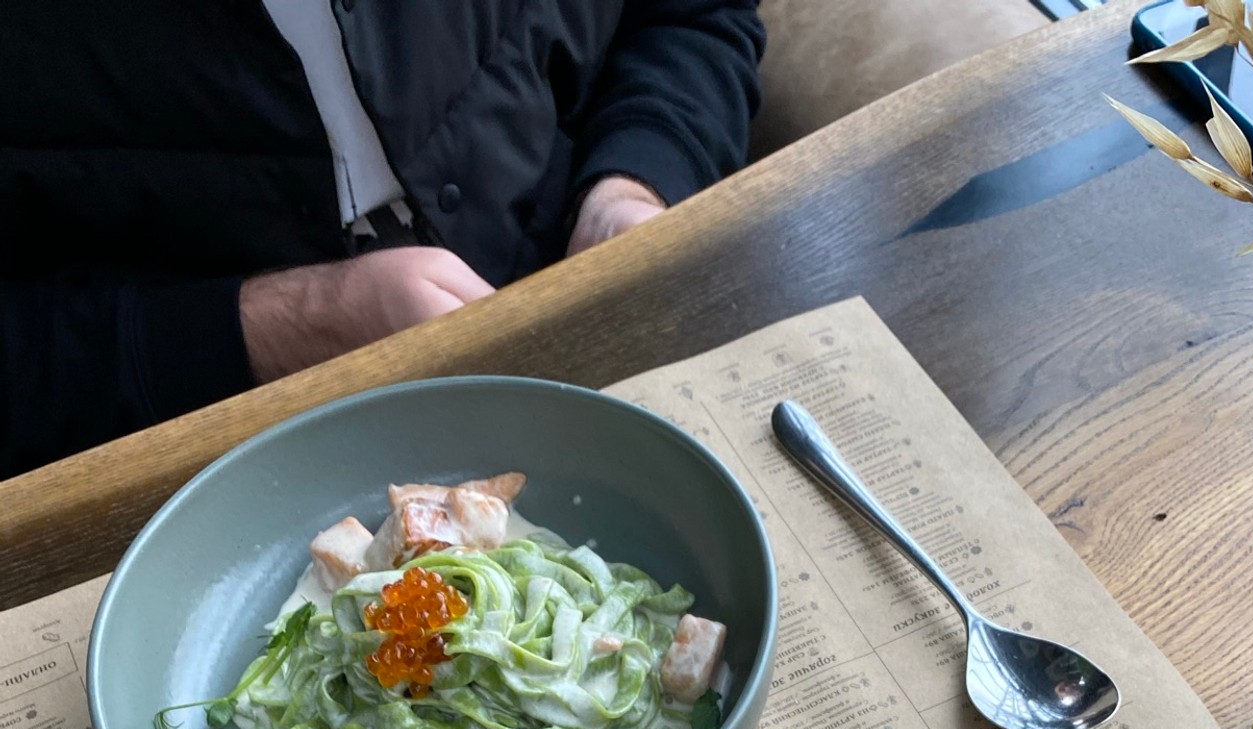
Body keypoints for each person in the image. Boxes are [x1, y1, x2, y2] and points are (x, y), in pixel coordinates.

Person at [0, 0, 764, 479]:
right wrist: (284, 324)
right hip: (197, 462)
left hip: (606, 335)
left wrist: (634, 185)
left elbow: (692, 14)